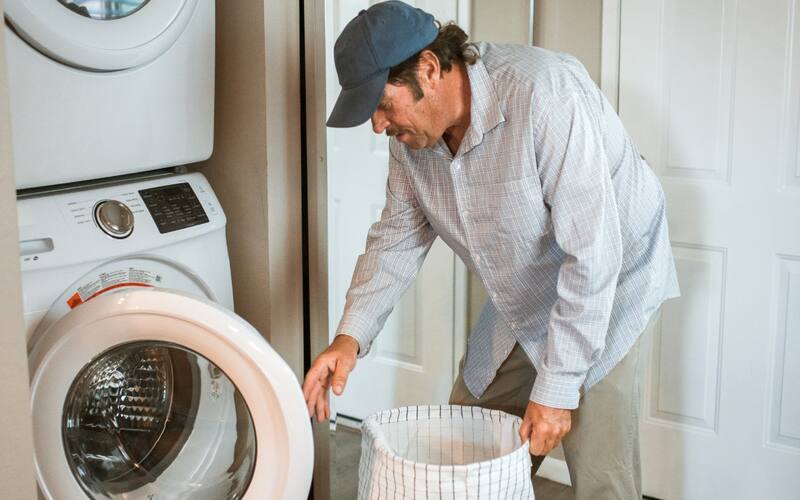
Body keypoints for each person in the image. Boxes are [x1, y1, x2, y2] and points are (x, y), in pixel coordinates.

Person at [302, 2, 680, 498]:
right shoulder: (412, 143)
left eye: (382, 104)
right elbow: (397, 237)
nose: (377, 125)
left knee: (599, 470)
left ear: (429, 69)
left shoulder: (545, 96)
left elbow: (593, 255)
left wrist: (556, 390)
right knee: (470, 435)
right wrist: (348, 338)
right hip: (526, 285)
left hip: (611, 279)